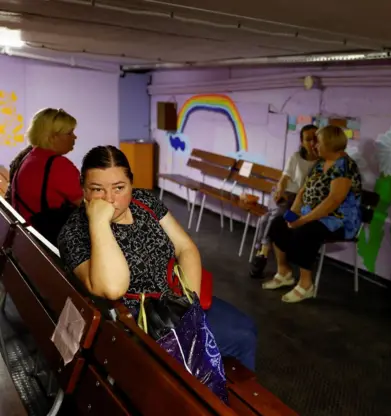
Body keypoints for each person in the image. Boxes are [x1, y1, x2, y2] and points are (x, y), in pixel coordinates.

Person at [58, 145, 258, 370]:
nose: (110, 200)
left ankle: (211, 389)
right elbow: (113, 288)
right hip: (137, 326)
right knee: (241, 337)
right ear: (83, 190)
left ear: (131, 185)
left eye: (119, 188)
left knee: (246, 326)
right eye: (97, 189)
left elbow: (185, 248)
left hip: (175, 303)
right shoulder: (74, 233)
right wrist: (98, 222)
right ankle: (211, 399)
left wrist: (190, 309)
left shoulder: (144, 202)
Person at [262, 125, 362, 303]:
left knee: (306, 231)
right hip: (312, 214)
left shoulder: (345, 167)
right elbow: (302, 192)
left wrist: (301, 221)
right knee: (278, 223)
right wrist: (292, 214)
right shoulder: (321, 163)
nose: (315, 145)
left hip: (338, 220)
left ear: (331, 144)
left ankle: (306, 284)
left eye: (319, 142)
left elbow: (332, 202)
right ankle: (284, 272)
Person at [250, 124, 318, 279]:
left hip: (300, 200)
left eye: (315, 139)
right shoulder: (296, 157)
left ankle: (262, 251)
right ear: (302, 142)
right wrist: (280, 189)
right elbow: (284, 178)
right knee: (275, 213)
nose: (312, 143)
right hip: (286, 194)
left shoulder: (321, 163)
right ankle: (263, 251)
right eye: (308, 139)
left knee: (267, 218)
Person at [9, 108, 83, 243]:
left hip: (28, 240)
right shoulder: (58, 165)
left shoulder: (29, 158)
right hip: (48, 241)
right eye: (69, 133)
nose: (74, 137)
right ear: (52, 136)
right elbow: (89, 205)